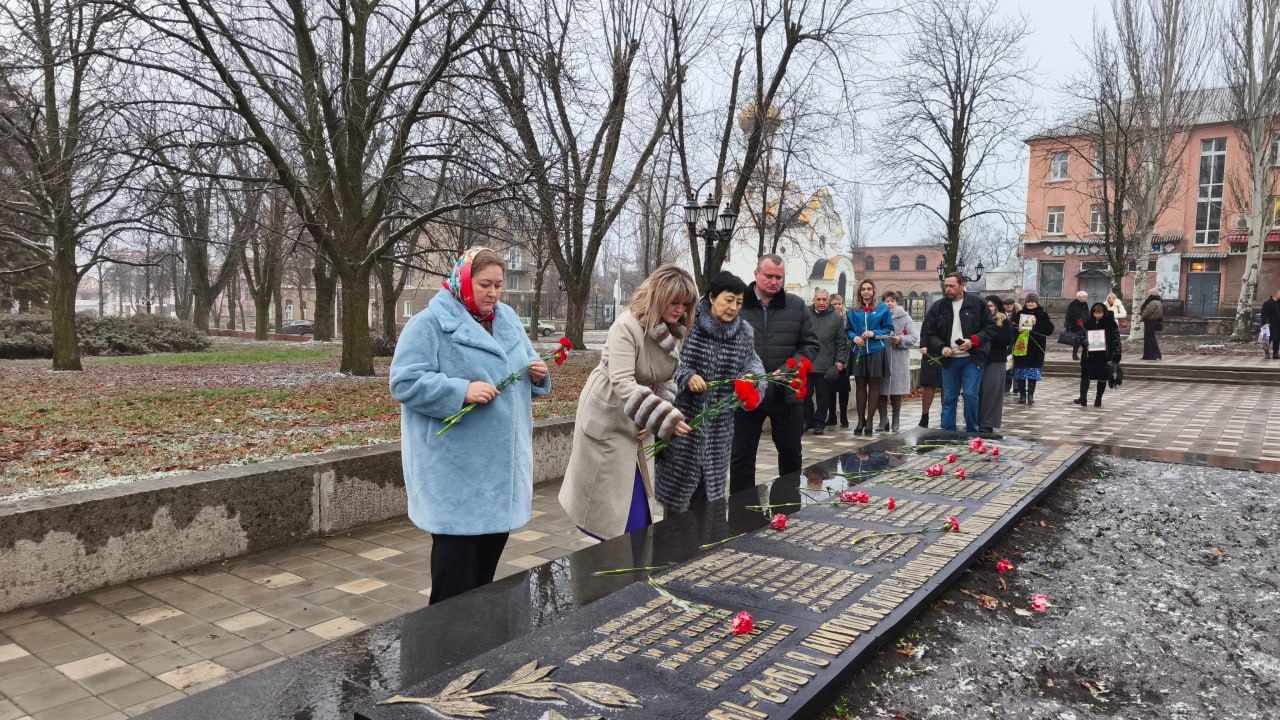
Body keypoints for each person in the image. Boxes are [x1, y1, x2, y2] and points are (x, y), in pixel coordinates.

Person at [389, 247, 551, 604]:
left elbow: (522, 364)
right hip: (455, 477)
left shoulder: (505, 318)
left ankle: (476, 644)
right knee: (454, 584)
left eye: (498, 285)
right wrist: (460, 390)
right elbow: (404, 382)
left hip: (500, 477)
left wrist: (537, 373)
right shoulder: (429, 324)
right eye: (484, 285)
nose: (493, 293)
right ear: (463, 280)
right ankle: (442, 652)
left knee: (484, 579)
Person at [559, 265, 696, 540]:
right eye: (675, 301)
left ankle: (626, 569)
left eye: (685, 304)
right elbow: (622, 382)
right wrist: (663, 418)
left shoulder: (672, 331)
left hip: (639, 416)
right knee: (612, 511)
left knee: (637, 511)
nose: (680, 309)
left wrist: (653, 417)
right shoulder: (626, 326)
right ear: (659, 296)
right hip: (608, 417)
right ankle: (610, 571)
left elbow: (668, 379)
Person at [654, 272, 764, 514]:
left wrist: (751, 378)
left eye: (739, 302)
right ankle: (672, 548)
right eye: (729, 300)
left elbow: (753, 363)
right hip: (682, 424)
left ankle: (701, 548)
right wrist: (687, 376)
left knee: (708, 499)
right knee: (678, 498)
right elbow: (663, 364)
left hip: (718, 428)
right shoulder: (687, 323)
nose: (734, 308)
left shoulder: (743, 331)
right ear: (712, 297)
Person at [730, 255, 819, 493]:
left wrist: (790, 367)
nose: (774, 282)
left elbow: (810, 346)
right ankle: (742, 513)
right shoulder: (738, 305)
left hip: (786, 393)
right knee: (742, 456)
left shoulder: (796, 305)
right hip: (747, 393)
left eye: (779, 277)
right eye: (769, 276)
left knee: (791, 453)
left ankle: (787, 507)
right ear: (756, 274)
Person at [922, 273, 994, 432]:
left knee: (969, 394)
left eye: (952, 286)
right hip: (949, 359)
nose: (948, 289)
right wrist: (941, 347)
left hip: (972, 358)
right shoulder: (939, 306)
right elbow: (930, 331)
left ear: (962, 285)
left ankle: (972, 430)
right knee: (949, 397)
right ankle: (947, 432)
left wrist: (973, 340)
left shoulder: (978, 303)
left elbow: (990, 327)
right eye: (946, 286)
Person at [846, 279, 895, 436]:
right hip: (859, 350)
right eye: (863, 289)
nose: (866, 291)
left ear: (874, 291)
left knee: (874, 386)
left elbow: (889, 330)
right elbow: (848, 330)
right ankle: (860, 420)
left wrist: (874, 333)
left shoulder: (882, 309)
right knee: (860, 386)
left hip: (875, 351)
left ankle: (869, 421)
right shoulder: (853, 311)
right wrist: (854, 337)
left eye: (869, 289)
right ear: (859, 292)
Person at [805, 289, 848, 435]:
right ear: (813, 300)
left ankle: (819, 422)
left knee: (823, 396)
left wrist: (840, 361)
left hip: (826, 364)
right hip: (807, 362)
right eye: (819, 299)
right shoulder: (805, 315)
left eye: (824, 299)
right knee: (805, 395)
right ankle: (808, 419)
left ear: (828, 301)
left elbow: (841, 342)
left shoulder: (836, 319)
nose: (821, 302)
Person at [875, 290, 917, 432]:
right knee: (880, 390)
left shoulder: (905, 317)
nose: (889, 303)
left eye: (892, 301)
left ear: (897, 302)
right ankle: (883, 419)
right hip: (881, 357)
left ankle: (896, 419)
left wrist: (900, 339)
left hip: (898, 360)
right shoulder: (879, 316)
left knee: (896, 392)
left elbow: (913, 337)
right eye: (887, 301)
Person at [1074, 302, 1121, 407]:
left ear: (1104, 313)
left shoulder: (1110, 323)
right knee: (1085, 376)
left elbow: (1116, 340)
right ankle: (1083, 398)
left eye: (1100, 313)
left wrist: (1116, 354)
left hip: (1104, 355)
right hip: (1088, 354)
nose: (1097, 315)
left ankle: (1098, 399)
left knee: (1102, 377)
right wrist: (1084, 341)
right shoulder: (1088, 322)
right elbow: (1080, 335)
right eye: (1095, 313)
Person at [1010, 293, 1053, 405]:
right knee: (1021, 371)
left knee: (1032, 371)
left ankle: (1031, 395)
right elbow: (1011, 327)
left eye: (1032, 301)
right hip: (1021, 346)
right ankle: (1022, 395)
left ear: (1036, 302)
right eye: (1028, 301)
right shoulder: (1020, 314)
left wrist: (1036, 323)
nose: (1030, 303)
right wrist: (1017, 330)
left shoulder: (1042, 315)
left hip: (1036, 348)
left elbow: (1049, 330)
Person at [979, 295, 1014, 433]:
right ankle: (976, 421)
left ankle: (988, 423)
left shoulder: (1003, 322)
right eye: (986, 305)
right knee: (978, 392)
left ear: (997, 308)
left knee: (992, 393)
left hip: (996, 361)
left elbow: (1006, 339)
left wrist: (988, 334)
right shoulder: (979, 320)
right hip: (979, 360)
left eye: (991, 305)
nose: (989, 308)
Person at [826, 294, 852, 427]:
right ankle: (832, 416)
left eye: (839, 303)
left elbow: (851, 334)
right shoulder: (827, 317)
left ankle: (843, 415)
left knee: (843, 389)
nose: (837, 306)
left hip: (844, 358)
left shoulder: (848, 318)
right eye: (834, 304)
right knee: (830, 388)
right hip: (829, 358)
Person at [916, 311, 944, 428]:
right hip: (931, 352)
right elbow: (925, 330)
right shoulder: (936, 308)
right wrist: (923, 345)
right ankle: (924, 415)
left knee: (947, 385)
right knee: (928, 384)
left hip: (948, 350)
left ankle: (945, 415)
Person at [1065, 291, 1090, 360]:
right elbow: (1072, 315)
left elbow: (1087, 314)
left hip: (1084, 325)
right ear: (1078, 297)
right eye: (1083, 297)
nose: (1085, 298)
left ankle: (1085, 355)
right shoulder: (1073, 304)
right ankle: (1075, 354)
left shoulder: (1085, 304)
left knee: (1083, 341)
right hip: (1075, 326)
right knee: (1077, 341)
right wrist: (1070, 326)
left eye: (1086, 297)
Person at [1139, 292, 1163, 360]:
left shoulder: (1152, 302)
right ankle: (1154, 355)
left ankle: (1152, 355)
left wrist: (1142, 317)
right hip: (1154, 321)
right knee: (1151, 338)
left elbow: (1147, 311)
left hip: (1149, 321)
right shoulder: (1158, 302)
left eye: (1149, 294)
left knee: (1149, 338)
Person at [1002, 297, 1019, 393]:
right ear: (1004, 305)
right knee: (1007, 364)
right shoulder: (1001, 315)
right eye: (1007, 304)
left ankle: (1016, 386)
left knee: (1016, 364)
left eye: (1011, 304)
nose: (1009, 306)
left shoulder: (1018, 315)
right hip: (1005, 343)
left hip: (1016, 341)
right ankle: (1006, 386)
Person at [1261, 290, 1280, 360]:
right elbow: (1263, 315)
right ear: (1276, 294)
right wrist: (1264, 323)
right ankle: (1266, 353)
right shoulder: (1267, 303)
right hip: (1268, 325)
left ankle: (1276, 353)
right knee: (1266, 340)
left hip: (1277, 325)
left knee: (1277, 339)